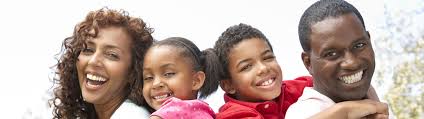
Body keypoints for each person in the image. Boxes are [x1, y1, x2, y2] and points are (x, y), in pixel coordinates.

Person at [285, 0, 389, 118]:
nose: (352, 63)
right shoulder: (305, 111)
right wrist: (345, 112)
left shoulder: (371, 99)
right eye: (331, 54)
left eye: (359, 45)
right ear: (308, 63)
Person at [50, 8, 154, 119]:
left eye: (112, 55)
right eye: (88, 50)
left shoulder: (132, 115)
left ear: (133, 72)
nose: (93, 61)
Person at [214, 23, 314, 119]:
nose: (263, 68)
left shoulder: (298, 89)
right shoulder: (234, 115)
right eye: (247, 66)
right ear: (228, 85)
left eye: (267, 58)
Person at [142, 37, 220, 119]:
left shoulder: (172, 111)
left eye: (169, 73)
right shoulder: (205, 111)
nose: (156, 84)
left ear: (196, 80)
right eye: (148, 77)